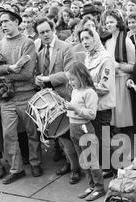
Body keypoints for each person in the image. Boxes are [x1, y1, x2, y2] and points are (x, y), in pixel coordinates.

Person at [0, 8, 42, 184]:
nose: (3, 25)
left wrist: (1, 73)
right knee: (9, 135)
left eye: (6, 22)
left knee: (32, 133)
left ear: (16, 22)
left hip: (26, 96)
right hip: (6, 98)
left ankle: (35, 163)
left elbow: (26, 74)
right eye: (1, 23)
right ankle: (16, 169)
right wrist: (9, 68)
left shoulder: (28, 43)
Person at [35, 17, 81, 185]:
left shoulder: (66, 47)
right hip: (50, 101)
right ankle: (70, 164)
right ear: (38, 34)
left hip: (66, 97)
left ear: (53, 30)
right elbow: (39, 74)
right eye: (41, 32)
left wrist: (47, 78)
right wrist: (38, 80)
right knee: (61, 137)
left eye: (47, 31)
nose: (45, 34)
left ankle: (77, 169)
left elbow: (70, 73)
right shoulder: (40, 52)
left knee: (70, 136)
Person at [65, 62, 105, 201]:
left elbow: (92, 114)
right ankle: (91, 184)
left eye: (73, 79)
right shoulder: (76, 91)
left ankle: (99, 187)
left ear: (81, 77)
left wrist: (74, 108)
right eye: (69, 80)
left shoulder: (90, 92)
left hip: (84, 129)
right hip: (74, 128)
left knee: (91, 160)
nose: (70, 83)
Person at [81, 28, 116, 178]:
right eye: (82, 39)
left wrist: (86, 89)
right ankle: (105, 165)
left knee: (104, 137)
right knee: (97, 136)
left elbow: (105, 87)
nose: (85, 42)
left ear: (95, 39)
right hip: (91, 105)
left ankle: (111, 167)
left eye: (87, 38)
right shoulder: (88, 57)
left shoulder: (105, 58)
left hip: (102, 105)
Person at [104, 9, 136, 130]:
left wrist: (117, 66)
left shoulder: (126, 41)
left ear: (118, 23)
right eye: (106, 23)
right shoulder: (107, 42)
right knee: (111, 122)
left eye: (111, 22)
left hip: (123, 83)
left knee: (123, 120)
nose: (108, 25)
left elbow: (134, 67)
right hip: (110, 82)